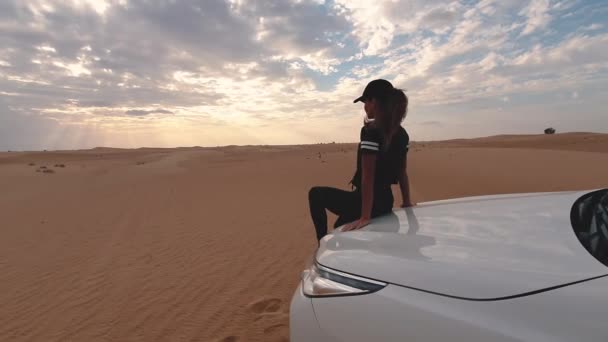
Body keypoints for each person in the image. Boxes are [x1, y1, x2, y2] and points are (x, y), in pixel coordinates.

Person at [308, 79, 414, 242]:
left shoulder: (370, 131)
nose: (364, 107)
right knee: (339, 226)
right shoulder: (402, 134)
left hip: (365, 203)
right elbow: (402, 172)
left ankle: (320, 243)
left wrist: (365, 216)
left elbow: (367, 177)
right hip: (385, 202)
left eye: (365, 102)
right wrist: (407, 202)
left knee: (316, 194)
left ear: (374, 101)